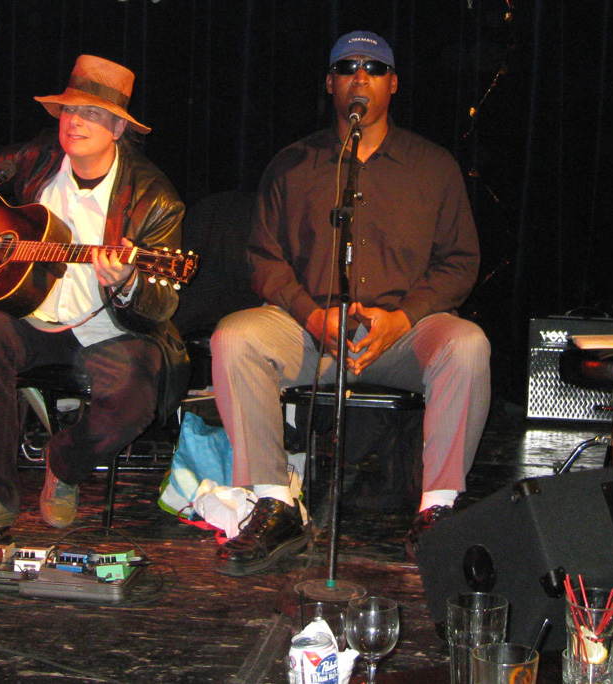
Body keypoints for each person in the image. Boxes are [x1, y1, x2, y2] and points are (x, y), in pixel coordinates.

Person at [210, 31, 491, 575]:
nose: (360, 76)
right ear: (330, 83)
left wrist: (402, 319)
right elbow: (264, 260)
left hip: (402, 333)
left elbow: (459, 262)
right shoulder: (292, 164)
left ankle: (438, 511)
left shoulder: (433, 166)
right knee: (235, 337)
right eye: (347, 67)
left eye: (374, 67)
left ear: (393, 83)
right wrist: (312, 314)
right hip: (310, 329)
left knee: (467, 345)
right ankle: (274, 504)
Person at [0, 55, 188, 536]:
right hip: (33, 317)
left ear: (118, 128)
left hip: (107, 330)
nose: (74, 122)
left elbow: (161, 304)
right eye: (69, 110)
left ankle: (64, 463)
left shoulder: (155, 198)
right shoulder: (39, 157)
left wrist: (128, 282)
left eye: (91, 113)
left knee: (136, 395)